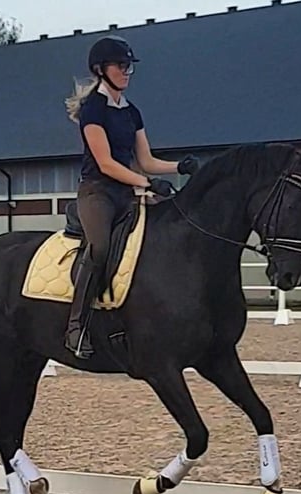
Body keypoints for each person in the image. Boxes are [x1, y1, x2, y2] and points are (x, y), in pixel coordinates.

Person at [63, 35, 201, 359]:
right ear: (101, 69)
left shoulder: (131, 112)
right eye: (121, 66)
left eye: (129, 67)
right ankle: (76, 326)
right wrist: (147, 183)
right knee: (99, 248)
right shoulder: (92, 110)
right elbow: (106, 163)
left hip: (127, 189)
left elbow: (147, 159)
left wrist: (179, 166)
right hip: (98, 192)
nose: (126, 72)